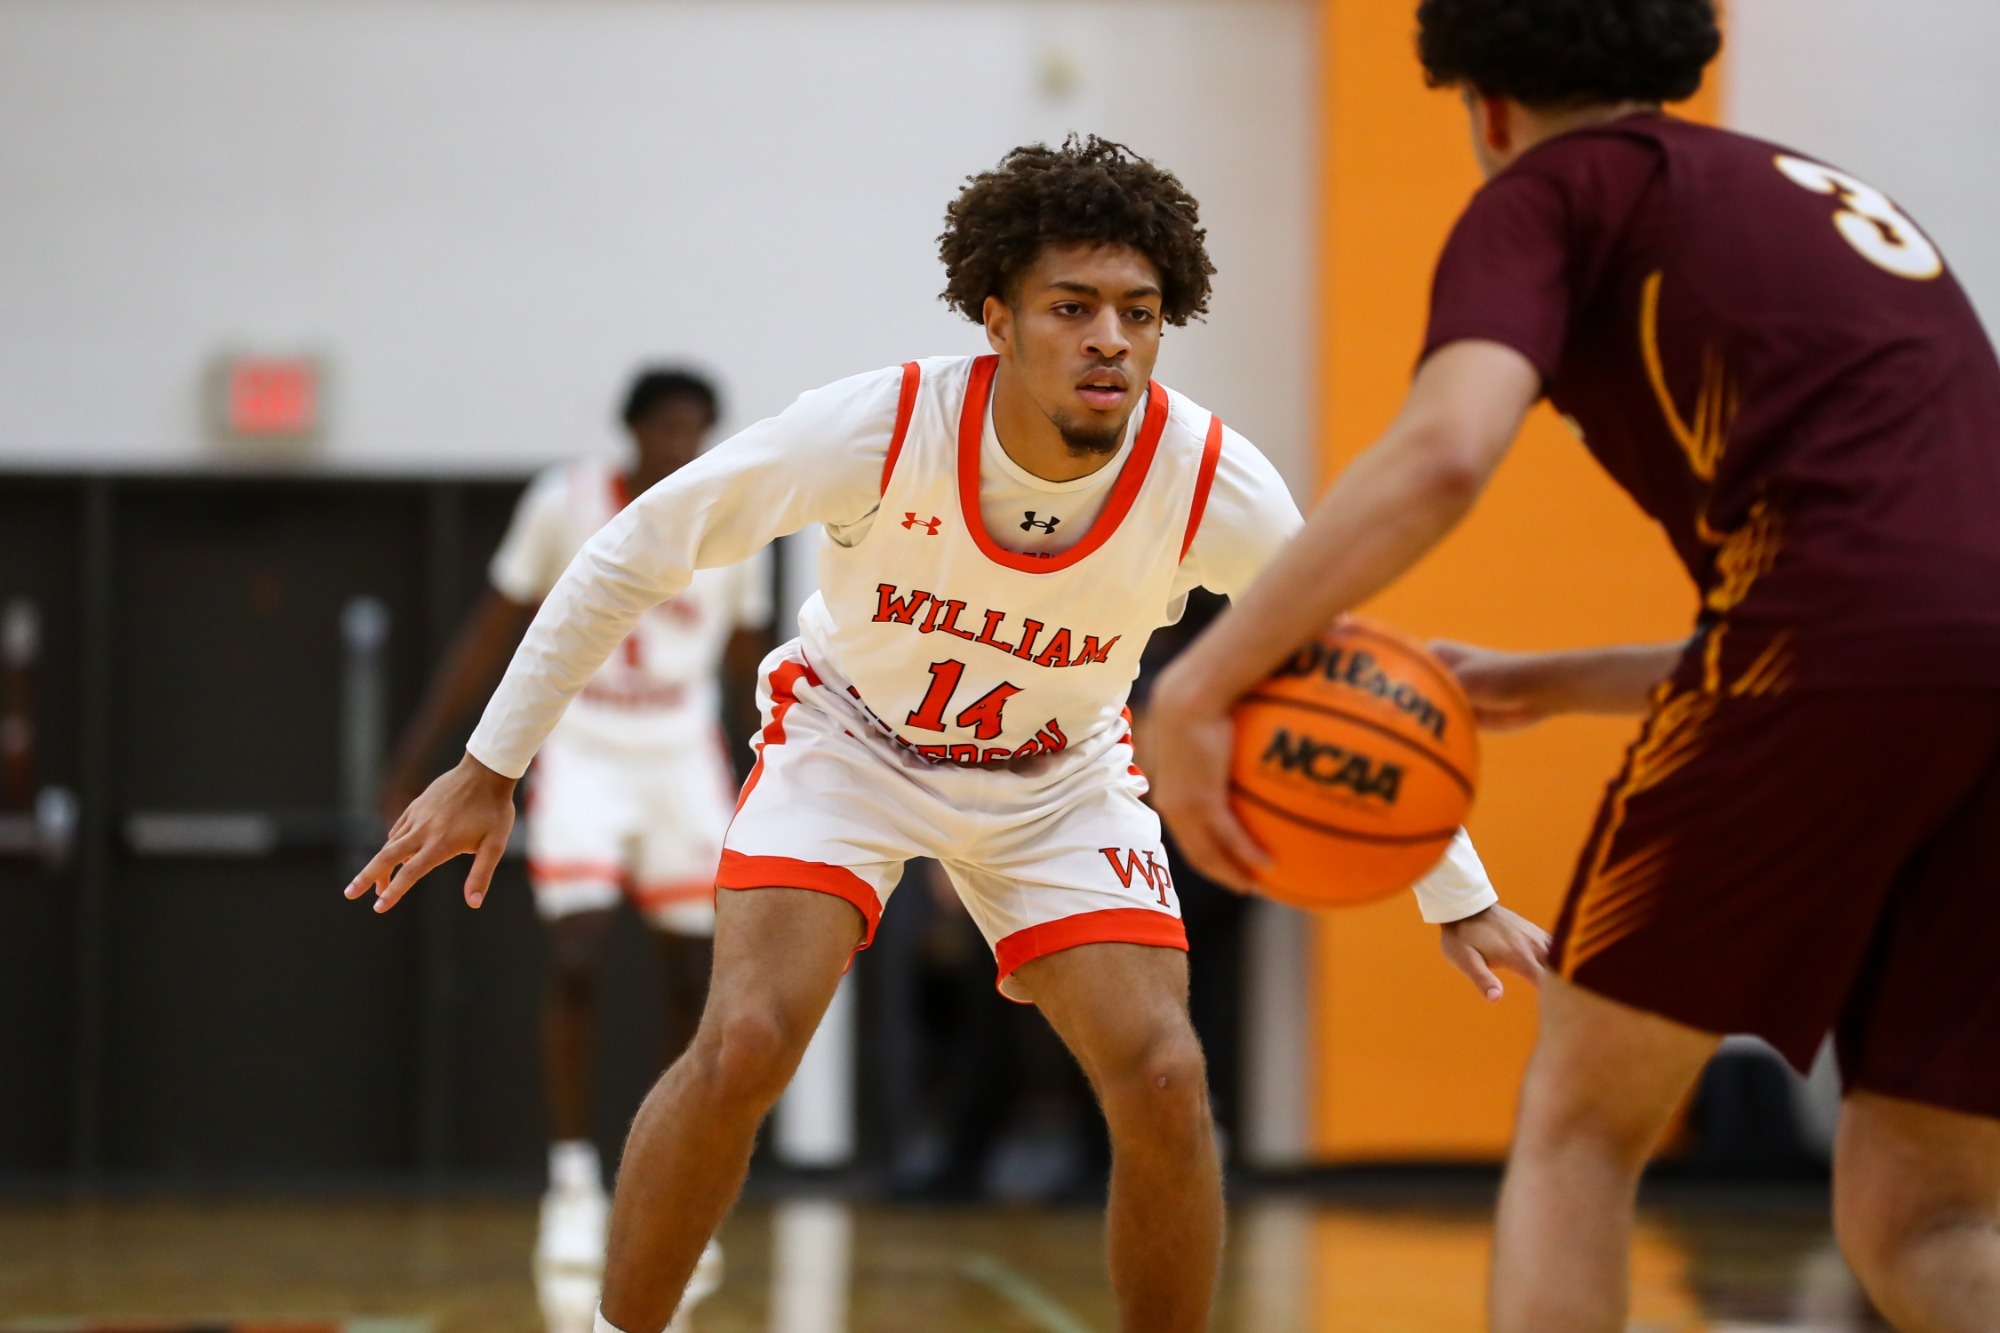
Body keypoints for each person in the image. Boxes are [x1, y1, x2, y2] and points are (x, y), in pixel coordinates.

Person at [348, 135, 1547, 1333]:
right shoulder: (877, 426)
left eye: (1137, 312)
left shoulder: (1210, 480)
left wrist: (1456, 891)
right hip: (850, 744)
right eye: (1070, 307)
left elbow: (1340, 671)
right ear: (997, 318)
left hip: (1059, 775)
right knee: (748, 1038)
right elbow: (633, 550)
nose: (1109, 339)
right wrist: (488, 766)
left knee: (1166, 1075)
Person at [1145, 3, 2000, 1330]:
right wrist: (1556, 676)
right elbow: (1919, 613)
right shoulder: (1824, 200)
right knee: (1927, 1213)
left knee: (1580, 1130)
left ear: (1485, 105)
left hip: (1825, 659)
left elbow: (1444, 453)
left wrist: (1199, 683)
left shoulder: (1553, 189)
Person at [378, 368, 771, 1296]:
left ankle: (675, 1188)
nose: (681, 443)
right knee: (577, 953)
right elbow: (492, 630)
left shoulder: (733, 518)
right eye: (666, 426)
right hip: (585, 748)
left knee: (692, 973)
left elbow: (750, 656)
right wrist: (418, 758)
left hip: (681, 754)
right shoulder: (564, 503)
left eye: (696, 428)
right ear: (632, 430)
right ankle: (571, 1184)